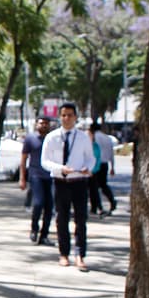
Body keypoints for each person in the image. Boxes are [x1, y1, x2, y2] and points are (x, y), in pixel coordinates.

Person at [40, 102, 96, 271]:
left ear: (75, 117)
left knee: (81, 219)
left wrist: (88, 168)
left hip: (79, 181)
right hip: (60, 182)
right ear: (60, 117)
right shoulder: (52, 137)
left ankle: (80, 254)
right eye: (63, 115)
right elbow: (44, 161)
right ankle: (63, 253)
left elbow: (90, 158)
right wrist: (59, 168)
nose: (66, 118)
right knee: (61, 218)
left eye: (70, 115)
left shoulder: (83, 137)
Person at [19, 116, 55, 245]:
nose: (44, 125)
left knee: (49, 206)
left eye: (46, 123)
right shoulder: (30, 139)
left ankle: (44, 235)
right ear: (36, 124)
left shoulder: (52, 139)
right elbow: (23, 159)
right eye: (41, 123)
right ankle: (34, 228)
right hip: (35, 175)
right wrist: (22, 178)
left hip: (50, 175)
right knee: (38, 203)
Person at [89, 121, 117, 215]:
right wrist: (112, 166)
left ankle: (96, 207)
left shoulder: (94, 137)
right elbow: (111, 153)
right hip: (105, 164)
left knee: (93, 187)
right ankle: (111, 201)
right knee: (103, 185)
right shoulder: (107, 138)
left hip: (95, 164)